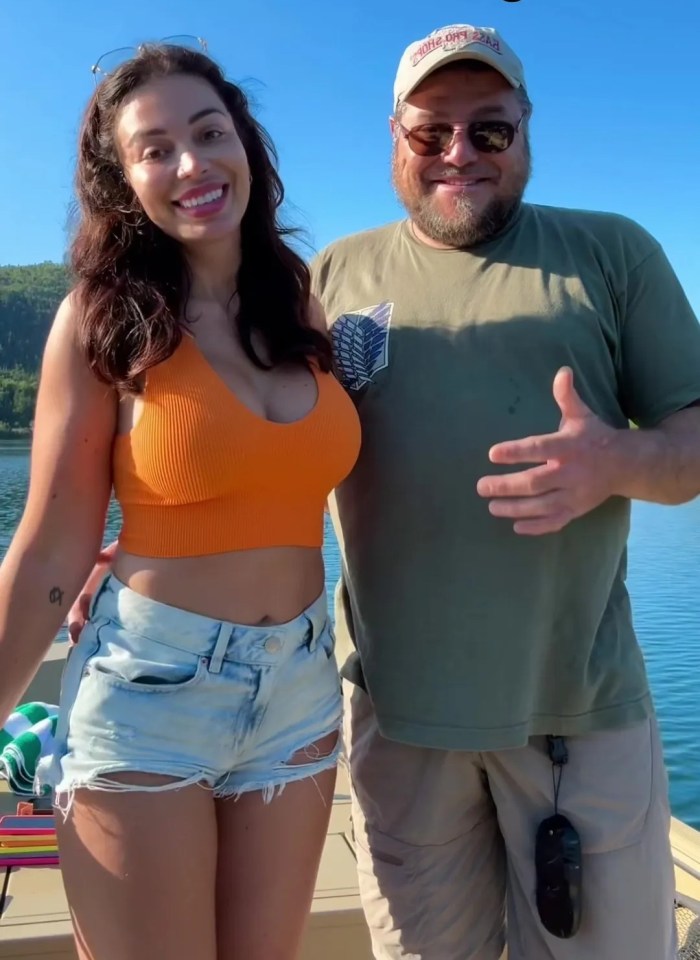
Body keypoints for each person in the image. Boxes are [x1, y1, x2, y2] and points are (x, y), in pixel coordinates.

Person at [308, 22, 700, 960]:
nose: (459, 154)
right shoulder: (330, 278)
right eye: (429, 132)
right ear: (393, 138)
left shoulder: (612, 255)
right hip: (397, 718)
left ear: (526, 132)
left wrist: (616, 462)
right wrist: (157, 557)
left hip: (579, 713)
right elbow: (267, 457)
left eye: (490, 130)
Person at [0, 42, 360, 960]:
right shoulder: (100, 317)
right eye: (155, 149)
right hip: (149, 695)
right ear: (124, 181)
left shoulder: (301, 306)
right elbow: (50, 546)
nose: (192, 164)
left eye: (209, 132)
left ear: (245, 142)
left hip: (302, 689)